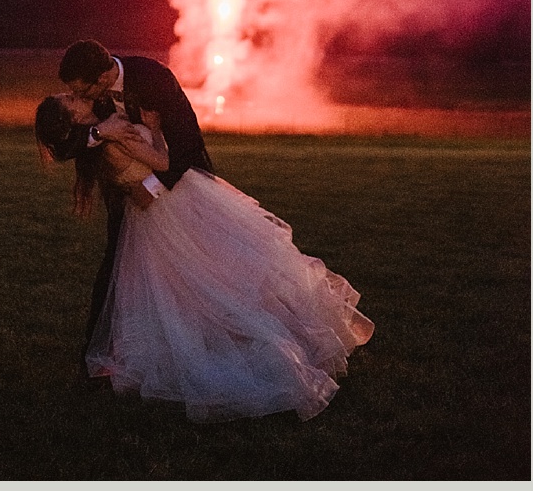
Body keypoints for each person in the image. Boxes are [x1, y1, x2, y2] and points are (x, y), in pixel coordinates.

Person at [35, 91, 374, 421]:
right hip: (174, 210)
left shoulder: (104, 131)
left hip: (169, 206)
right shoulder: (110, 141)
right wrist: (152, 130)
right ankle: (264, 349)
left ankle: (259, 337)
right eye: (71, 100)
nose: (77, 95)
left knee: (219, 277)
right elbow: (164, 162)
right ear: (75, 117)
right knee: (222, 278)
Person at [38, 40, 214, 363]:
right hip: (128, 204)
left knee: (207, 266)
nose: (81, 99)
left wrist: (153, 186)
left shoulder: (153, 78)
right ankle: (100, 356)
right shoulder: (92, 109)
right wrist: (99, 133)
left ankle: (210, 338)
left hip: (183, 186)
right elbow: (64, 143)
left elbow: (188, 142)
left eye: (82, 92)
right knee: (117, 273)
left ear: (102, 79)